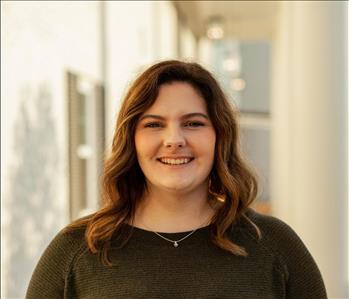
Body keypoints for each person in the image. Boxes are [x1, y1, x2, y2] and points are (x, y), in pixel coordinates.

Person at [26, 60, 327, 298]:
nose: (174, 139)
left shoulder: (274, 245)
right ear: (132, 140)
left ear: (218, 137)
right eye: (154, 124)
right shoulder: (76, 250)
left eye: (193, 123)